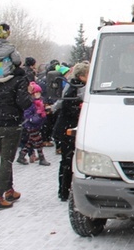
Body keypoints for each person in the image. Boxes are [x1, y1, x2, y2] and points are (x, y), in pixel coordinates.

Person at [0, 51, 32, 209]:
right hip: (11, 124)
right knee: (6, 160)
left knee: (5, 158)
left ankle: (9, 190)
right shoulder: (18, 80)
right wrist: (30, 96)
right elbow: (24, 103)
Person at [53, 62, 89, 201]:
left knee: (66, 160)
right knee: (68, 160)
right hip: (68, 129)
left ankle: (64, 190)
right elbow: (68, 106)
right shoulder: (75, 87)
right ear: (81, 76)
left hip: (66, 127)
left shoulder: (73, 85)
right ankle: (64, 191)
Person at [17, 81, 50, 166]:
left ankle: (22, 155)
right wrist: (34, 118)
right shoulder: (30, 104)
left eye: (39, 92)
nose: (38, 94)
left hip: (36, 124)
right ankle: (41, 158)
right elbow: (27, 114)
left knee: (31, 141)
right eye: (36, 93)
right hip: (31, 125)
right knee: (38, 142)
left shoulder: (39, 102)